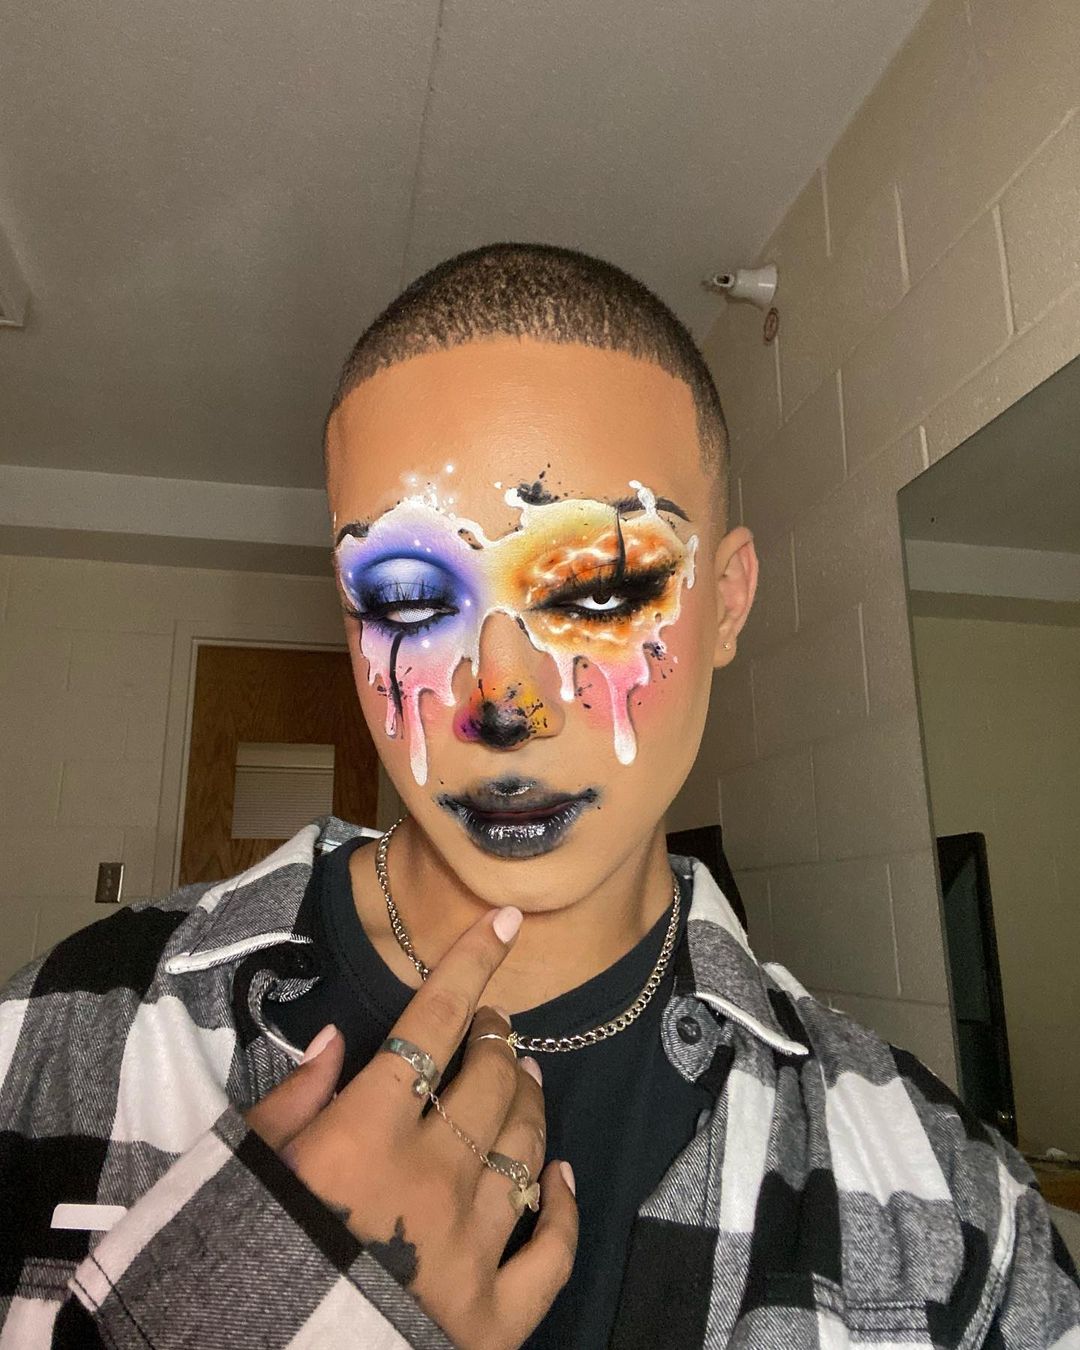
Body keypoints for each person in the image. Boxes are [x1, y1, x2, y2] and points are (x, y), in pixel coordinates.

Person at [1, 244, 1077, 1350]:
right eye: (410, 599)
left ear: (727, 601)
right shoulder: (57, 1046)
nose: (502, 707)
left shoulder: (955, 1220)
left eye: (600, 592)